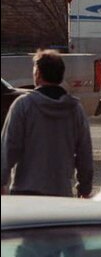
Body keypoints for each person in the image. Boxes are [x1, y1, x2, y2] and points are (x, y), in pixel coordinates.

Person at [1, 49, 93, 197]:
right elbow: (84, 153)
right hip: (60, 193)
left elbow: (8, 148)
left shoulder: (24, 105)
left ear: (38, 74)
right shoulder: (75, 109)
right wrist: (85, 187)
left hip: (25, 192)